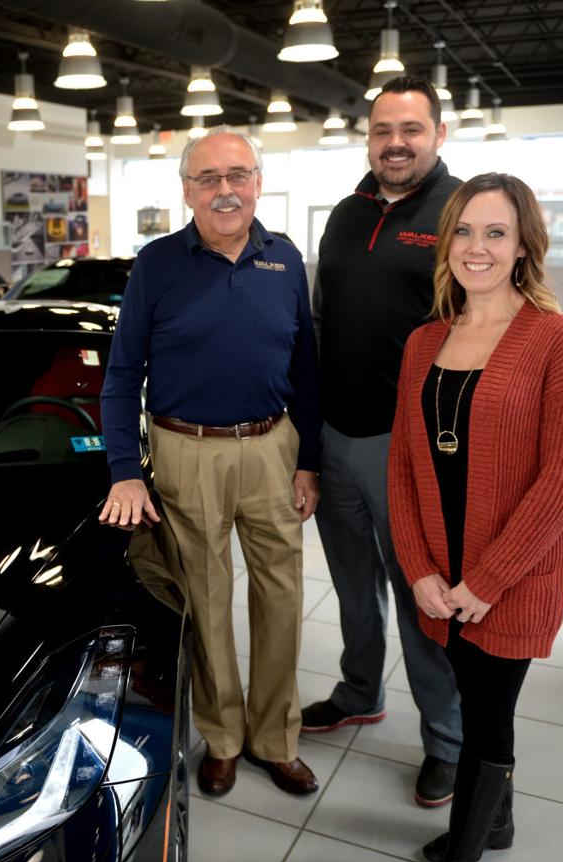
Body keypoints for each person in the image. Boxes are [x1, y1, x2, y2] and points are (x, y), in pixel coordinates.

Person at [99, 128, 321, 797]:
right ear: (187, 190)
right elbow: (120, 374)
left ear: (257, 181)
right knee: (206, 596)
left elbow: (306, 369)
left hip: (273, 445)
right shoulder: (158, 264)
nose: (225, 190)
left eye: (238, 174)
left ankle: (274, 737)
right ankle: (222, 737)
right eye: (208, 178)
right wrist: (124, 468)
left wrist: (308, 458)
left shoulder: (285, 259)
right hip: (184, 448)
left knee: (281, 594)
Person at [388, 172, 563, 862]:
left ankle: (466, 850)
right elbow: (405, 469)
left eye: (496, 232)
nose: (478, 247)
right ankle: (498, 823)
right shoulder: (424, 343)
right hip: (440, 576)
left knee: (486, 719)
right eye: (465, 231)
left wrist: (485, 582)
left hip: (510, 577)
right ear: (447, 244)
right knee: (474, 699)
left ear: (524, 246)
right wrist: (419, 570)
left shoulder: (557, 342)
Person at [303, 76, 464, 808]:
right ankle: (358, 689)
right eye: (382, 131)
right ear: (368, 138)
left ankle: (448, 741)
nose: (396, 144)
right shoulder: (345, 213)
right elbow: (321, 321)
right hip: (335, 434)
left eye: (411, 129)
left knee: (420, 597)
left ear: (438, 133)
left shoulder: (461, 213)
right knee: (351, 585)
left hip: (410, 446)